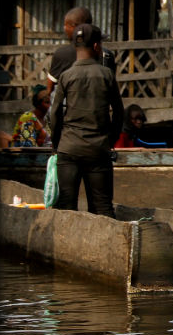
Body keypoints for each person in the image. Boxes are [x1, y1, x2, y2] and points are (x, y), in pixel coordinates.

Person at [48, 24, 124, 217]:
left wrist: (58, 144)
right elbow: (119, 112)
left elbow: (54, 113)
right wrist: (110, 140)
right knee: (102, 206)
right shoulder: (106, 75)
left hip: (69, 148)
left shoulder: (66, 76)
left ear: (75, 46)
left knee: (66, 204)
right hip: (98, 150)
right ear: (97, 47)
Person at [47, 7, 115, 94]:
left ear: (74, 26)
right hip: (99, 105)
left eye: (66, 25)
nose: (64, 28)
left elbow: (50, 88)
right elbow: (112, 88)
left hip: (71, 105)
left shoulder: (62, 53)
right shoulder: (108, 55)